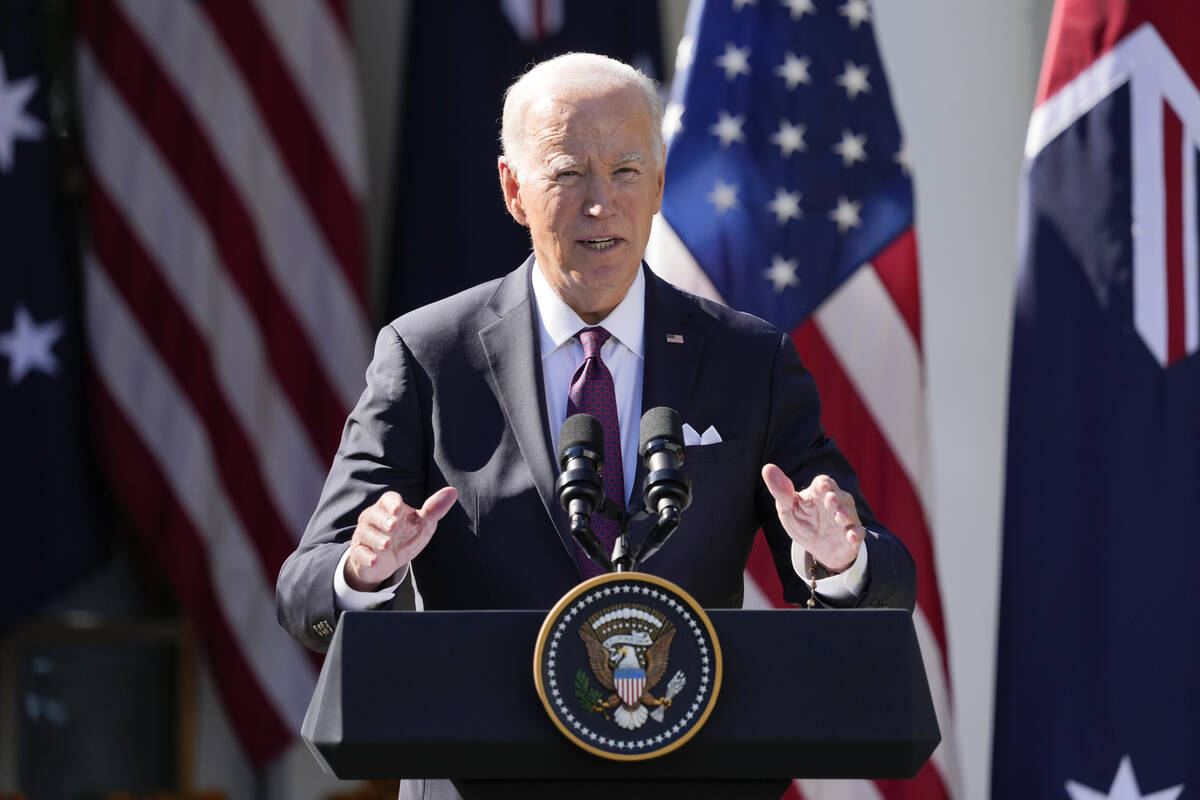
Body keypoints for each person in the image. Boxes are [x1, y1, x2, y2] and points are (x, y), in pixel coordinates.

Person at [277, 52, 915, 659]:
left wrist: (839, 559)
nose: (599, 203)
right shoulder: (426, 359)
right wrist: (360, 573)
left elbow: (886, 580)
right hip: (485, 763)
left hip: (687, 759)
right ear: (513, 188)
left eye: (626, 171)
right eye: (567, 172)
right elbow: (303, 589)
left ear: (661, 183)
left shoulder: (751, 362)